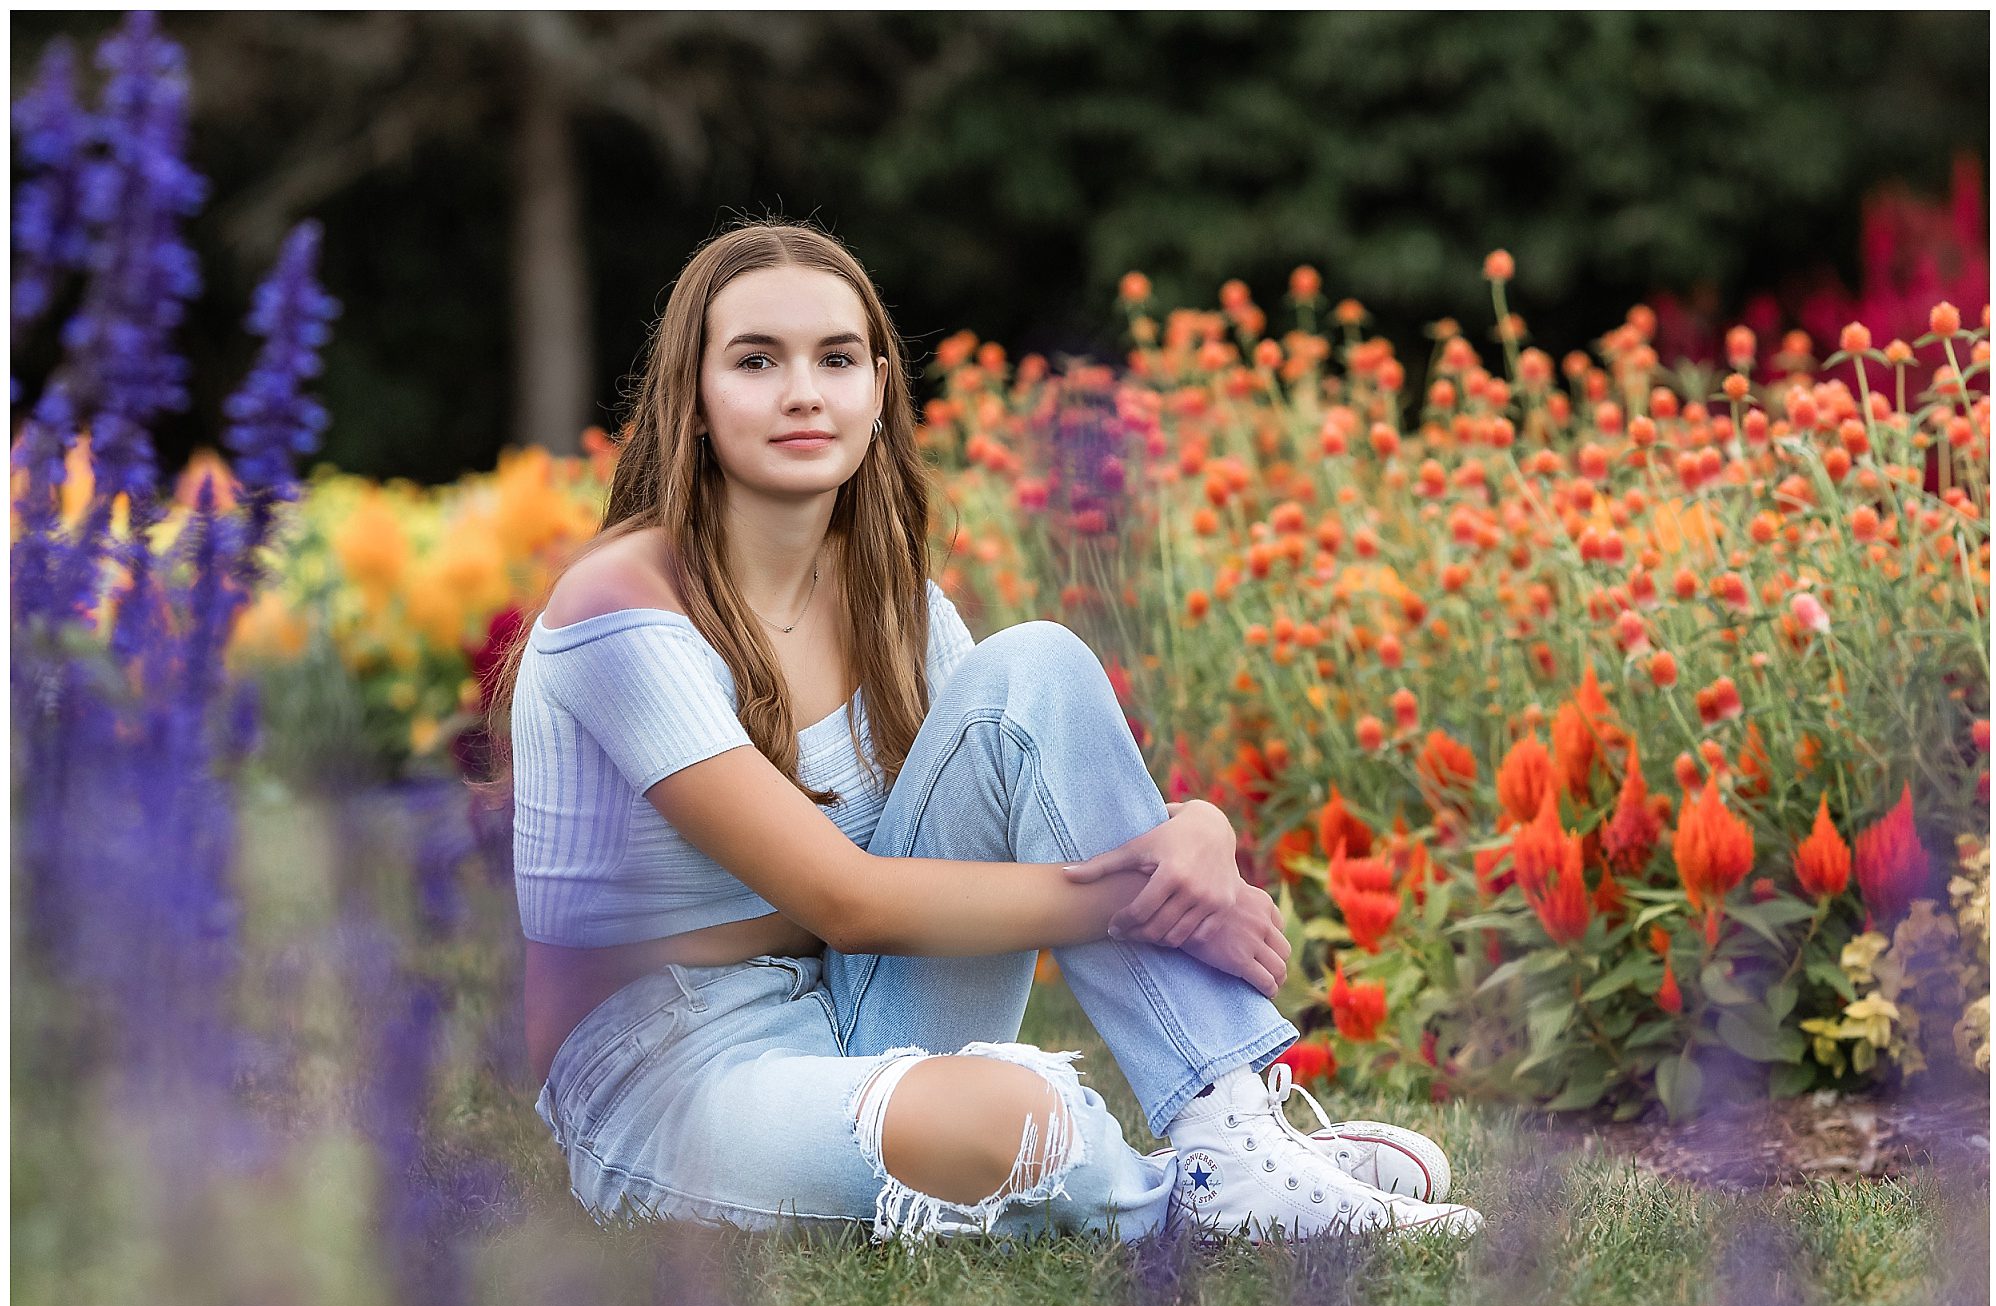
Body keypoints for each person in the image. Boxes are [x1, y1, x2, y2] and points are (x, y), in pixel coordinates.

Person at [484, 218, 1483, 1244]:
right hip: (675, 1069)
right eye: (754, 361)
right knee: (1026, 1125)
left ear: (877, 391)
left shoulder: (892, 607)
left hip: (856, 1002)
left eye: (835, 359)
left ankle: (1227, 1132)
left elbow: (1032, 792)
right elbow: (848, 899)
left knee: (1037, 662)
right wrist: (1137, 896)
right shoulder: (621, 609)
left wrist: (1195, 830)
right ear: (690, 403)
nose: (802, 392)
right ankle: (1175, 1200)